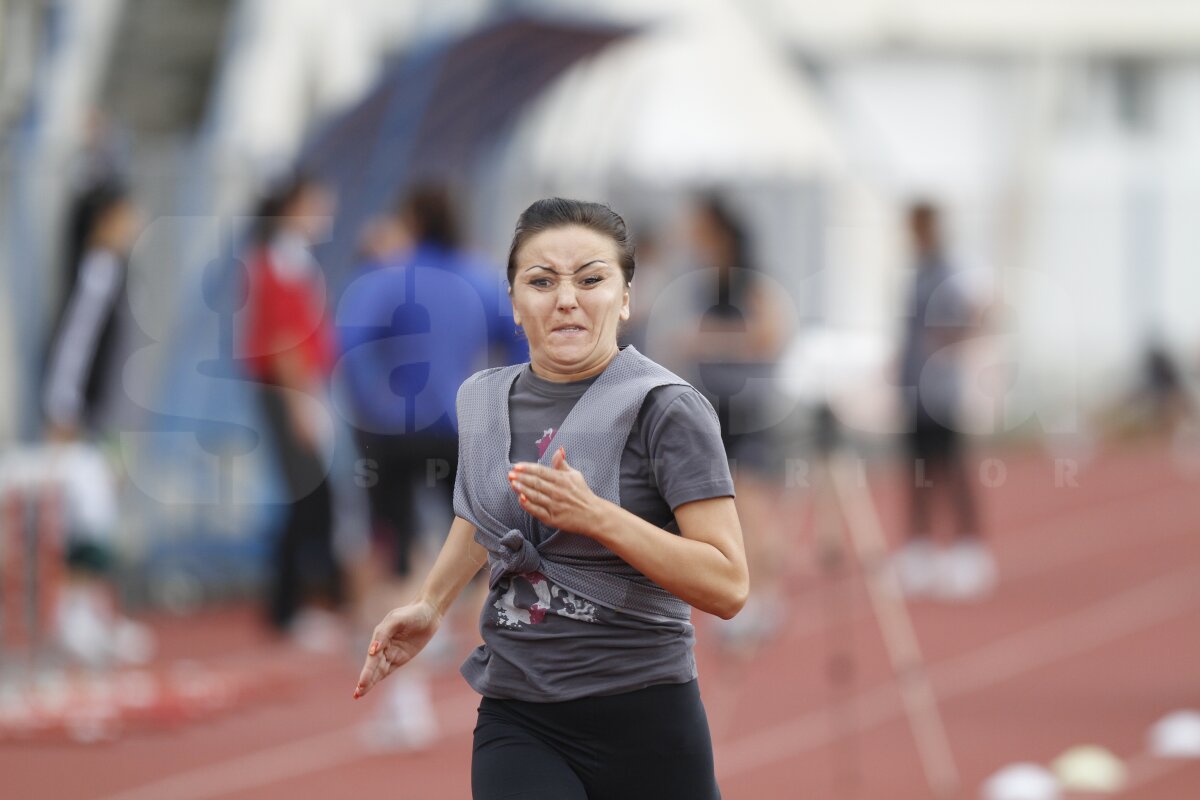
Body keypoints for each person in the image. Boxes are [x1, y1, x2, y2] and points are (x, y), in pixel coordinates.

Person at [354, 198, 748, 799]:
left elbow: (727, 585)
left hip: (647, 717)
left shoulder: (667, 408)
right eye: (541, 281)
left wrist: (597, 517)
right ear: (513, 302)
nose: (566, 298)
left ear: (625, 298)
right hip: (520, 716)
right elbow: (482, 515)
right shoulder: (482, 400)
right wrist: (432, 606)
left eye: (591, 279)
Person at [338, 184, 524, 749]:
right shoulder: (478, 274)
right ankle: (449, 623)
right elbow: (520, 337)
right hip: (453, 424)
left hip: (389, 432)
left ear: (412, 218)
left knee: (391, 553)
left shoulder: (387, 276)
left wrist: (370, 398)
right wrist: (504, 399)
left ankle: (403, 698)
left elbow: (344, 346)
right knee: (471, 542)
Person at [41, 177, 155, 668]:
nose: (137, 223)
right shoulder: (99, 271)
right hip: (88, 419)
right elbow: (75, 346)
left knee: (102, 512)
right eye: (129, 214)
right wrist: (63, 411)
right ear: (107, 219)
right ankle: (71, 613)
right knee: (87, 514)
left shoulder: (116, 271)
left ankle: (90, 609)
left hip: (106, 417)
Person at [241, 173, 345, 640]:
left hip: (300, 387)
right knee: (308, 495)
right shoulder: (279, 259)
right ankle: (290, 607)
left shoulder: (291, 258)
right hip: (287, 389)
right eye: (315, 202)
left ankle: (298, 602)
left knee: (311, 495)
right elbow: (285, 341)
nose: (324, 211)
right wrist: (301, 403)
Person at [892, 201, 995, 600]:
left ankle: (970, 549)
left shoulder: (952, 271)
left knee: (951, 469)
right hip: (915, 387)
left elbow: (982, 312)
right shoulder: (917, 272)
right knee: (918, 471)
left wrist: (950, 341)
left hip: (941, 389)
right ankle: (920, 550)